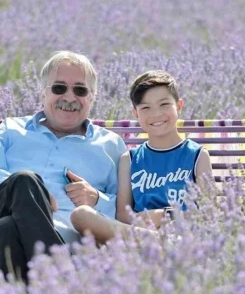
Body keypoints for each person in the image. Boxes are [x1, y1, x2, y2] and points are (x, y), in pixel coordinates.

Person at [0, 51, 127, 283]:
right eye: (59, 88)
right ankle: (60, 277)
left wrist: (96, 199)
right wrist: (29, 194)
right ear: (42, 92)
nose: (69, 97)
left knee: (8, 228)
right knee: (24, 181)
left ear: (93, 97)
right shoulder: (12, 130)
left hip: (55, 240)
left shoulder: (110, 145)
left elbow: (124, 213)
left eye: (80, 90)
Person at [70, 70, 213, 244]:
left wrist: (164, 215)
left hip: (185, 238)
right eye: (146, 108)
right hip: (138, 235)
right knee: (81, 216)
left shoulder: (197, 156)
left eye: (164, 104)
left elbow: (208, 212)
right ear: (136, 114)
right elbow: (123, 216)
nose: (156, 114)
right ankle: (158, 242)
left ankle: (164, 244)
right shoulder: (129, 159)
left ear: (179, 106)